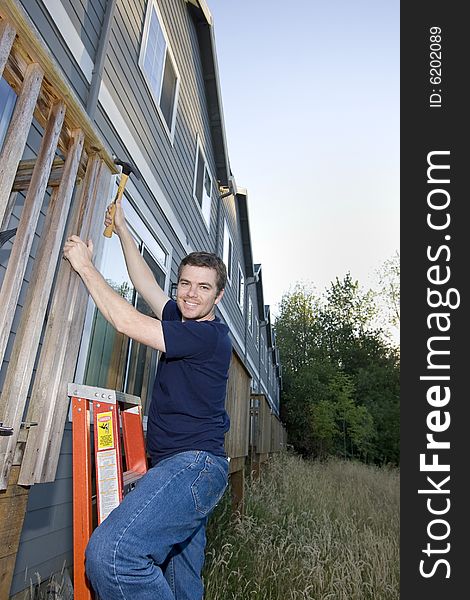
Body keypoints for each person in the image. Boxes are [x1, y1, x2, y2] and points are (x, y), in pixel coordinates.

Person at [63, 196, 231, 600]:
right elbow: (145, 285)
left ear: (219, 297)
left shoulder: (207, 336)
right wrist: (122, 229)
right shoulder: (184, 316)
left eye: (203, 287)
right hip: (182, 468)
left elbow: (125, 321)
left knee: (112, 556)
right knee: (180, 583)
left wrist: (85, 265)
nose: (190, 294)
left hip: (193, 467)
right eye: (185, 283)